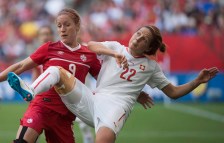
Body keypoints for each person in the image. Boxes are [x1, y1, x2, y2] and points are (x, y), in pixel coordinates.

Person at [7, 25, 216, 143]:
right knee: (55, 71)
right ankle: (30, 90)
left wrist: (197, 80)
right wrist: (113, 53)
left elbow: (173, 92)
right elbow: (91, 45)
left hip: (115, 109)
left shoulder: (151, 68)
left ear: (149, 46)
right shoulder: (116, 47)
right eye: (138, 33)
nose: (137, 38)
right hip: (92, 99)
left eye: (143, 39)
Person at [0, 8, 102, 143]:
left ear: (77, 26)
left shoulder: (89, 55)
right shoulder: (49, 48)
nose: (62, 29)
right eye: (59, 26)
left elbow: (104, 81)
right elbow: (20, 66)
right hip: (42, 107)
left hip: (65, 116)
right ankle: (29, 90)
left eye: (67, 24)